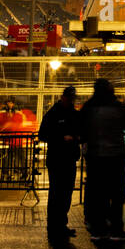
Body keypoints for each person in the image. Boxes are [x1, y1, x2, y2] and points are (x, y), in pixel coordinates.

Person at [80, 79, 125, 242]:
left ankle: (98, 229)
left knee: (98, 194)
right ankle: (116, 229)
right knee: (117, 194)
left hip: (95, 156)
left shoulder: (89, 107)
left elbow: (81, 127)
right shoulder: (116, 106)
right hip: (115, 156)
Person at [39, 86, 82, 238]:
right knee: (58, 193)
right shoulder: (54, 114)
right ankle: (55, 226)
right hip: (59, 158)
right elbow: (42, 134)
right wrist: (62, 138)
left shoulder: (68, 113)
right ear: (63, 97)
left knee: (65, 193)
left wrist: (76, 138)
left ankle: (59, 225)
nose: (71, 100)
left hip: (66, 158)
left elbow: (82, 133)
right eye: (70, 98)